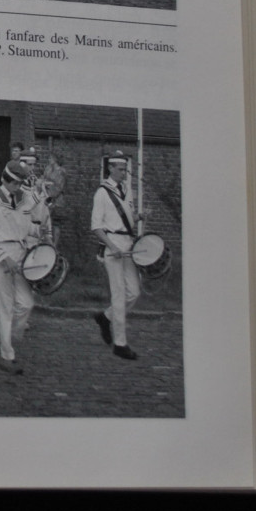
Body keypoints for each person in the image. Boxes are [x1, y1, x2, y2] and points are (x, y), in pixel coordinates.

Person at [0, 156, 48, 373]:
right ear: (5, 180)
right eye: (14, 184)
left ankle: (6, 336)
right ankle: (6, 355)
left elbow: (28, 225)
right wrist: (2, 257)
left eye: (20, 184)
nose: (18, 188)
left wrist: (38, 231)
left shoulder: (25, 198)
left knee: (26, 303)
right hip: (3, 254)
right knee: (5, 305)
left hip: (22, 253)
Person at [91, 149, 143, 360]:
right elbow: (96, 227)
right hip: (112, 248)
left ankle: (105, 317)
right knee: (120, 294)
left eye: (125, 169)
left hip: (128, 245)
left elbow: (127, 219)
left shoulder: (127, 189)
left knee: (134, 292)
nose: (124, 172)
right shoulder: (102, 193)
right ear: (110, 168)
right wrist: (112, 246)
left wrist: (139, 216)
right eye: (120, 169)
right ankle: (120, 344)